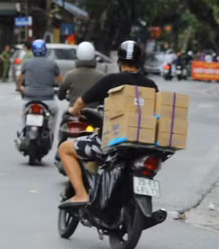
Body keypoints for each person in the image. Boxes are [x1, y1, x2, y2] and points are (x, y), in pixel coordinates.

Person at [58, 41, 158, 208]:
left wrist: (74, 110)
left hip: (112, 142)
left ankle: (81, 195)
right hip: (143, 145)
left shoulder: (111, 80)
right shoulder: (151, 85)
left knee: (64, 149)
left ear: (119, 62)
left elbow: (82, 101)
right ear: (139, 62)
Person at [16, 39, 62, 132]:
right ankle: (50, 132)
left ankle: (23, 132)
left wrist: (19, 88)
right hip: (48, 100)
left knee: (24, 114)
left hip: (29, 99)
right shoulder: (52, 63)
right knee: (55, 112)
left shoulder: (27, 63)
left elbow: (19, 80)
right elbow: (61, 81)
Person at [57, 41, 102, 108]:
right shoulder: (101, 76)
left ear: (77, 55)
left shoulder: (69, 75)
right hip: (93, 112)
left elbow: (61, 95)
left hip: (74, 112)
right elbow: (105, 96)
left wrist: (66, 97)